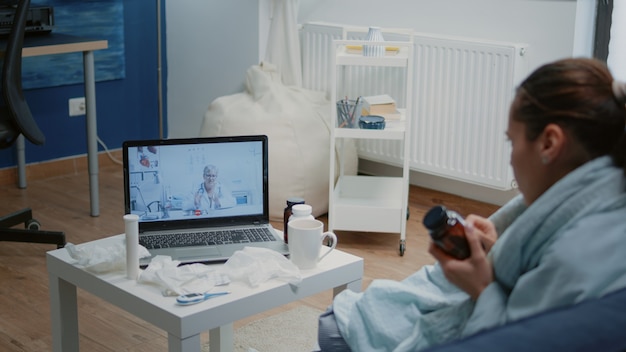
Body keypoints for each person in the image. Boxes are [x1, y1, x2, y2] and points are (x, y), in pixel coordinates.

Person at [317, 58, 626, 351]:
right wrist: (496, 249)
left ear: (549, 143)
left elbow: (515, 339)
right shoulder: (602, 195)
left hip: (470, 318)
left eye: (512, 142)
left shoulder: (575, 258)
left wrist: (481, 287)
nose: (510, 157)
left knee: (335, 329)